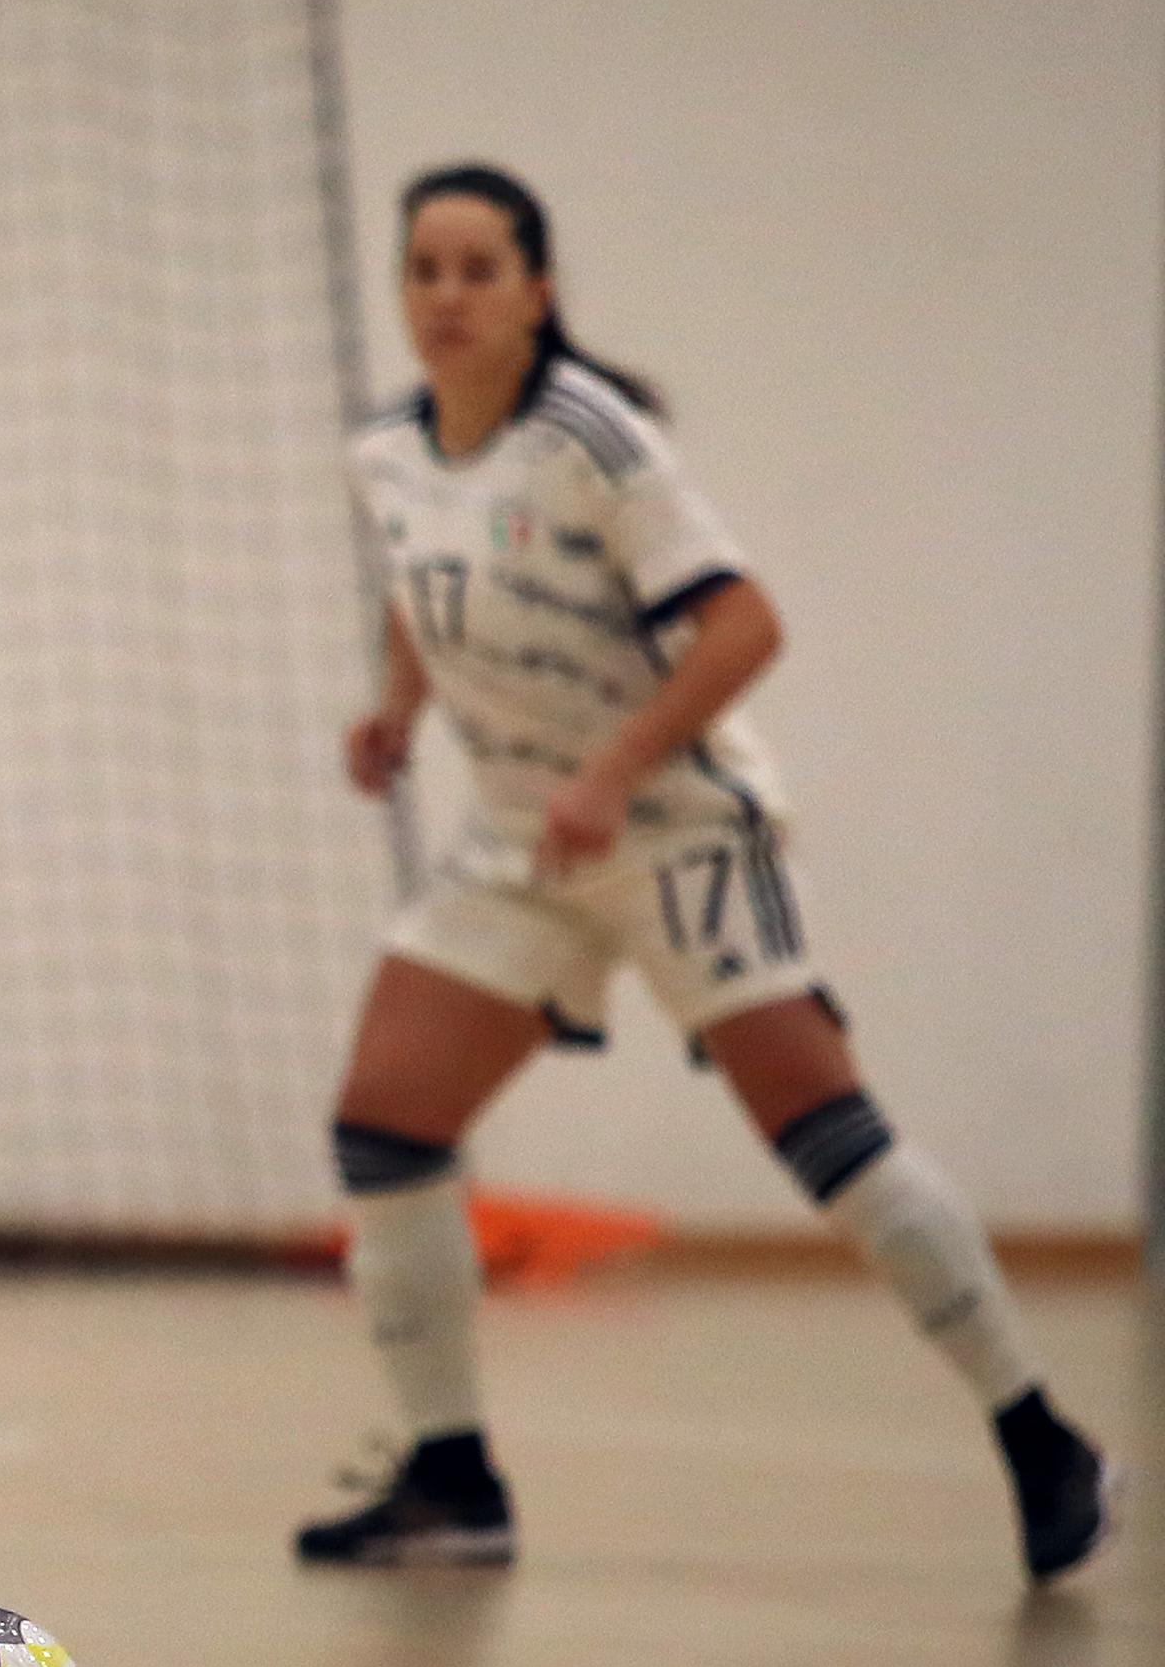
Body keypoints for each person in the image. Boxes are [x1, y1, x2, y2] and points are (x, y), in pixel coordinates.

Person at [299, 162, 1112, 1581]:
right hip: (520, 839)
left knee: (827, 1137)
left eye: (479, 269)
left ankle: (1045, 1440)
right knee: (385, 1124)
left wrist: (614, 773)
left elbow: (745, 627)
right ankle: (454, 1479)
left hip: (671, 824)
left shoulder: (596, 439)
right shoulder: (385, 452)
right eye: (424, 269)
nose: (446, 297)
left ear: (538, 292)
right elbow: (424, 595)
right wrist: (397, 713)